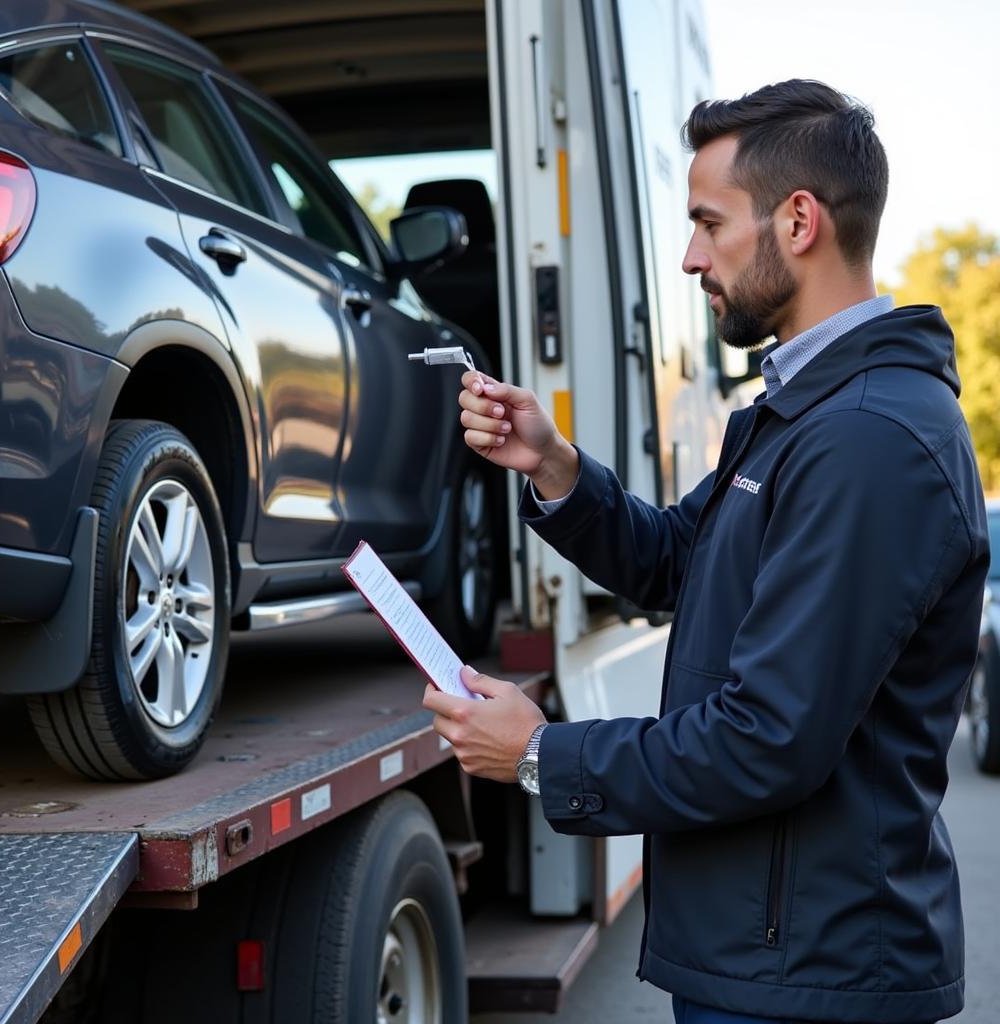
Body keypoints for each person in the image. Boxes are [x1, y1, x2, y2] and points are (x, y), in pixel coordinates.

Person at [423, 80, 990, 1024]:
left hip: (812, 978)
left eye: (707, 223)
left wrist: (542, 755)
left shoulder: (867, 438)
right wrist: (557, 467)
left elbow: (770, 738)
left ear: (798, 220)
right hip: (772, 957)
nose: (690, 258)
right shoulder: (802, 410)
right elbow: (684, 561)